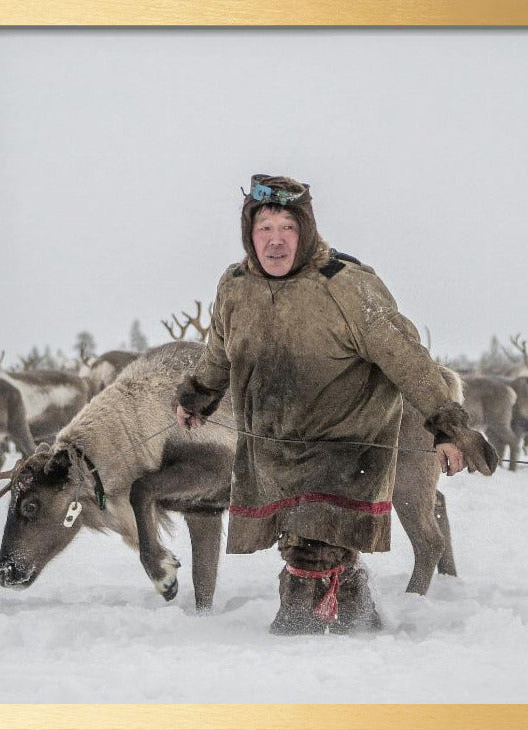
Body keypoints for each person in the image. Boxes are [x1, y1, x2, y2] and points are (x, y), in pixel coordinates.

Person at [175, 174, 498, 635]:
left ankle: (298, 642)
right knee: (310, 548)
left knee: (312, 554)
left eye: (287, 227)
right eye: (264, 228)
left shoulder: (346, 286)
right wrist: (199, 397)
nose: (275, 241)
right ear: (249, 233)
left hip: (346, 453)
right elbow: (219, 355)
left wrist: (449, 430)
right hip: (273, 455)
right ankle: (355, 614)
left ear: (305, 230)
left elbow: (408, 361)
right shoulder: (236, 287)